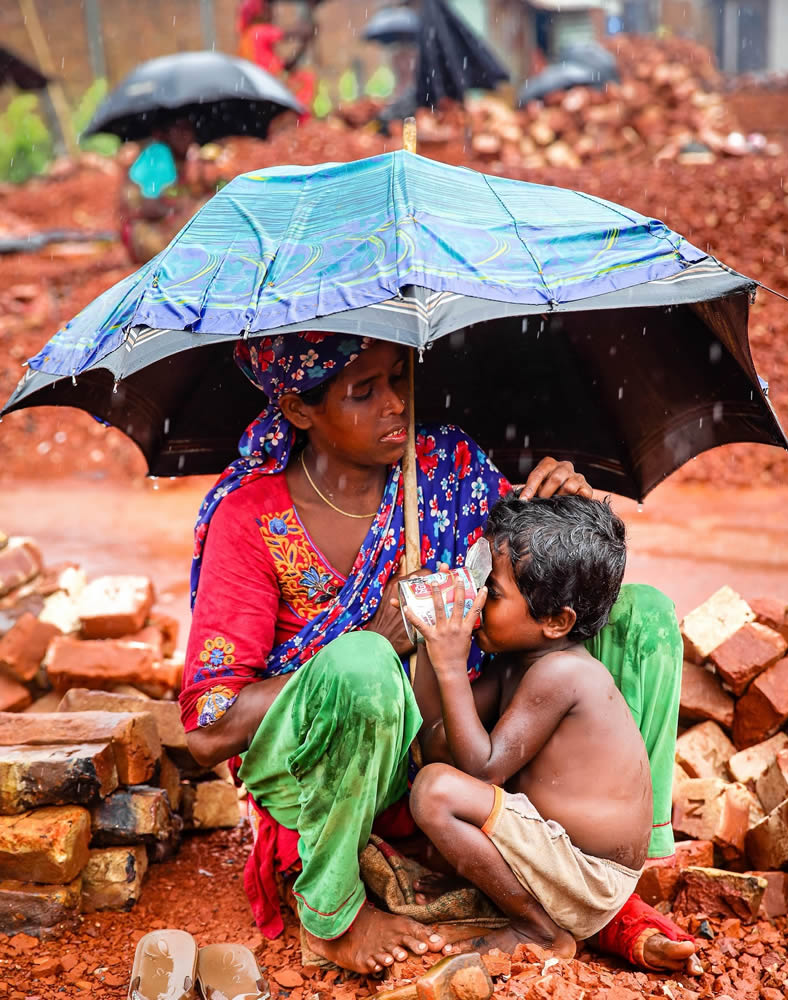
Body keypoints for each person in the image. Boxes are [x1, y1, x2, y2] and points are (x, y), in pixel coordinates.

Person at [180, 332, 698, 976]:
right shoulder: (250, 517)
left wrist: (570, 502)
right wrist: (368, 634)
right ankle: (333, 913)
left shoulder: (445, 471)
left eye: (398, 378)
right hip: (333, 763)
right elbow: (209, 732)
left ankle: (615, 878)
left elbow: (538, 581)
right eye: (363, 392)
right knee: (363, 664)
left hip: (457, 738)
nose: (397, 404)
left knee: (640, 614)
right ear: (297, 409)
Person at [406, 493, 651, 958]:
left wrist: (453, 668)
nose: (476, 597)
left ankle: (539, 930)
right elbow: (435, 744)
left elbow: (480, 773)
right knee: (437, 788)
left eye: (491, 592)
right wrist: (428, 642)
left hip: (591, 877)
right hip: (556, 860)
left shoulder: (563, 674)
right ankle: (509, 899)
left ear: (557, 621)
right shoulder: (515, 667)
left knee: (435, 793)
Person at [119, 119, 220, 265]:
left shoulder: (180, 158)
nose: (185, 136)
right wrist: (180, 209)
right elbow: (149, 206)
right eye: (178, 130)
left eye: (188, 130)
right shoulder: (159, 155)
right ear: (166, 134)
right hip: (143, 236)